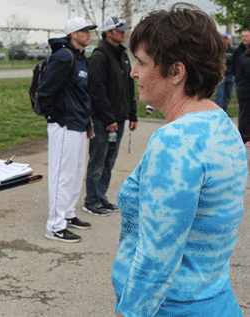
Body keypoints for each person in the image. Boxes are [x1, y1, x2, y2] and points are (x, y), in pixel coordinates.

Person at [113, 4, 248, 316]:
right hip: (215, 298)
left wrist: (129, 312)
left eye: (142, 63)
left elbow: (157, 254)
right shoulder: (222, 124)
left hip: (172, 307)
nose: (134, 72)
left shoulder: (176, 142)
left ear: (176, 71)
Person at [37, 17, 96, 243]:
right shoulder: (64, 56)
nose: (88, 34)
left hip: (79, 124)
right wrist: (56, 117)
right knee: (62, 175)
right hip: (64, 124)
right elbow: (45, 92)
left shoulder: (81, 58)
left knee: (75, 173)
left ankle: (68, 214)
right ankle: (54, 226)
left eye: (89, 31)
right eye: (84, 31)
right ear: (73, 34)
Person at [83, 16, 138, 217]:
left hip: (120, 119)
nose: (123, 33)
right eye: (119, 30)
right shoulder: (100, 56)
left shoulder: (123, 55)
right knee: (98, 160)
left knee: (109, 161)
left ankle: (101, 197)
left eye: (124, 29)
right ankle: (91, 201)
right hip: (103, 121)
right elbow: (96, 90)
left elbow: (128, 88)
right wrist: (108, 119)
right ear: (109, 33)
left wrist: (133, 114)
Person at [232, 28, 250, 144]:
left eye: (247, 36)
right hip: (244, 87)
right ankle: (244, 137)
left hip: (244, 86)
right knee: (244, 114)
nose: (244, 38)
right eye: (243, 36)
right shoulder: (239, 53)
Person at [214, 32, 235, 113]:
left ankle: (225, 111)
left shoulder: (232, 50)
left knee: (228, 94)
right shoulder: (218, 50)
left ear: (229, 39)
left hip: (230, 75)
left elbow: (234, 61)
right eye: (223, 38)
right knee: (220, 94)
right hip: (222, 75)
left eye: (226, 38)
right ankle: (218, 111)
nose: (225, 40)